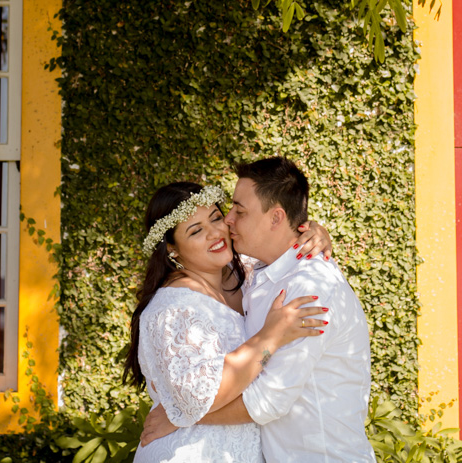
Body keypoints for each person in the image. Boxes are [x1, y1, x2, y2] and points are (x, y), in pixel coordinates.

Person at [141, 157, 376, 462]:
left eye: (230, 213)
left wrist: (182, 415)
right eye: (196, 230)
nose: (224, 224)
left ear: (276, 218)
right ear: (171, 249)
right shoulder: (179, 306)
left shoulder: (285, 283)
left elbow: (268, 399)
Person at [124, 181, 330, 463]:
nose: (216, 233)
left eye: (216, 218)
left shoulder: (242, 271)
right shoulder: (171, 310)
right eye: (196, 231)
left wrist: (314, 231)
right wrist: (271, 336)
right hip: (189, 454)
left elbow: (279, 241)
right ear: (172, 249)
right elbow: (196, 400)